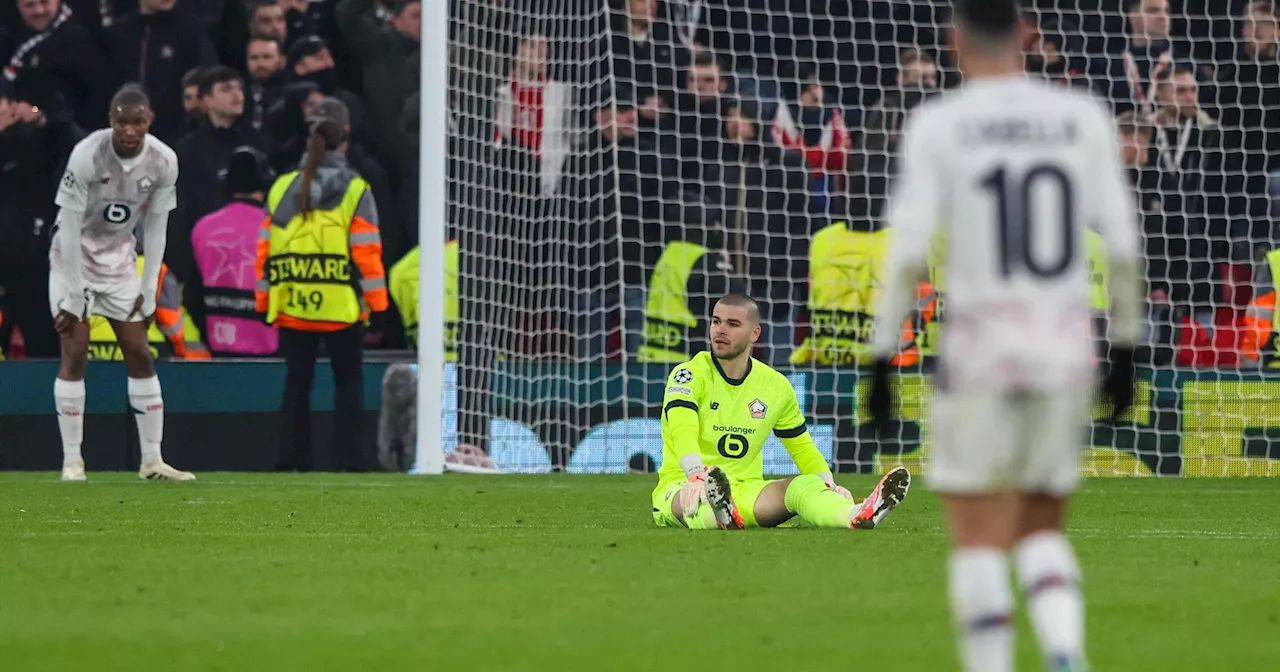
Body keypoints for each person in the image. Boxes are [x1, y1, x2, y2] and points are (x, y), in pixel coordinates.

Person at [865, 2, 1143, 671]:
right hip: (1062, 347)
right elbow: (1127, 247)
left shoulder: (940, 123)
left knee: (979, 536)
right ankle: (1065, 651)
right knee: (1042, 526)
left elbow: (905, 253)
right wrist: (1128, 351)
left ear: (954, 40)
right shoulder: (1081, 117)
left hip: (979, 351)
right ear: (1026, 34)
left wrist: (878, 359)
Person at [651, 293, 911, 531]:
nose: (720, 330)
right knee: (693, 503)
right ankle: (719, 514)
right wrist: (694, 473)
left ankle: (855, 514)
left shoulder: (776, 386)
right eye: (716, 321)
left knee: (801, 486)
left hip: (746, 490)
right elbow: (682, 428)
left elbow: (802, 448)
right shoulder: (688, 374)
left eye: (732, 324)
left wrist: (828, 485)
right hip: (681, 485)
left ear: (755, 333)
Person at [50, 84, 196, 483]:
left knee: (140, 353)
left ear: (149, 120)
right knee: (76, 352)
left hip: (119, 263)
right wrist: (73, 289)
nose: (129, 130)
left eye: (137, 122)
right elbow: (67, 224)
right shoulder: (87, 155)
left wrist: (148, 290)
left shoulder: (164, 160)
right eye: (121, 122)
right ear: (110, 121)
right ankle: (72, 462)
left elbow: (156, 227)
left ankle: (152, 460)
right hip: (73, 260)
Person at [254, 97, 387, 472]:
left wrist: (264, 302)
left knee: (296, 384)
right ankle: (349, 462)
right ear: (346, 135)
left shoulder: (282, 187)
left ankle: (290, 462)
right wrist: (378, 307)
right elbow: (367, 254)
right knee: (348, 384)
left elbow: (265, 252)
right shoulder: (356, 189)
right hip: (341, 305)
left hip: (294, 303)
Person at [190, 145, 278, 356]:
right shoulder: (277, 229)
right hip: (270, 348)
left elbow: (193, 294)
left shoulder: (203, 228)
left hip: (218, 346)